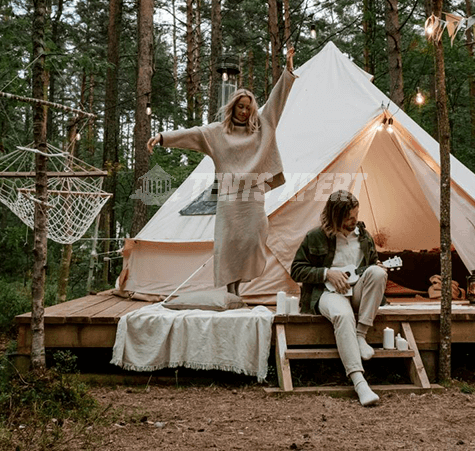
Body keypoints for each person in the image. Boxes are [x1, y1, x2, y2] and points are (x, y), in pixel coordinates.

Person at [147, 48, 296, 296]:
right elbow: (192, 134)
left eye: (249, 107)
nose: (245, 111)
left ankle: (239, 286)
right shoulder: (218, 133)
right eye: (241, 106)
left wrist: (288, 71)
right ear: (233, 107)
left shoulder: (262, 126)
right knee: (229, 244)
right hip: (229, 198)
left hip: (253, 197)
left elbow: (277, 99)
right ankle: (231, 291)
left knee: (252, 240)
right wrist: (163, 138)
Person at [290, 190, 388, 407]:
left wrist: (377, 267)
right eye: (349, 218)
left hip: (357, 294)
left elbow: (373, 263)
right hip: (328, 293)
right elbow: (296, 270)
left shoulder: (363, 236)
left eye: (356, 215)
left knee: (378, 273)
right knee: (342, 316)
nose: (354, 221)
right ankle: (359, 382)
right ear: (335, 216)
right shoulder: (315, 236)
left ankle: (361, 335)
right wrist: (327, 273)